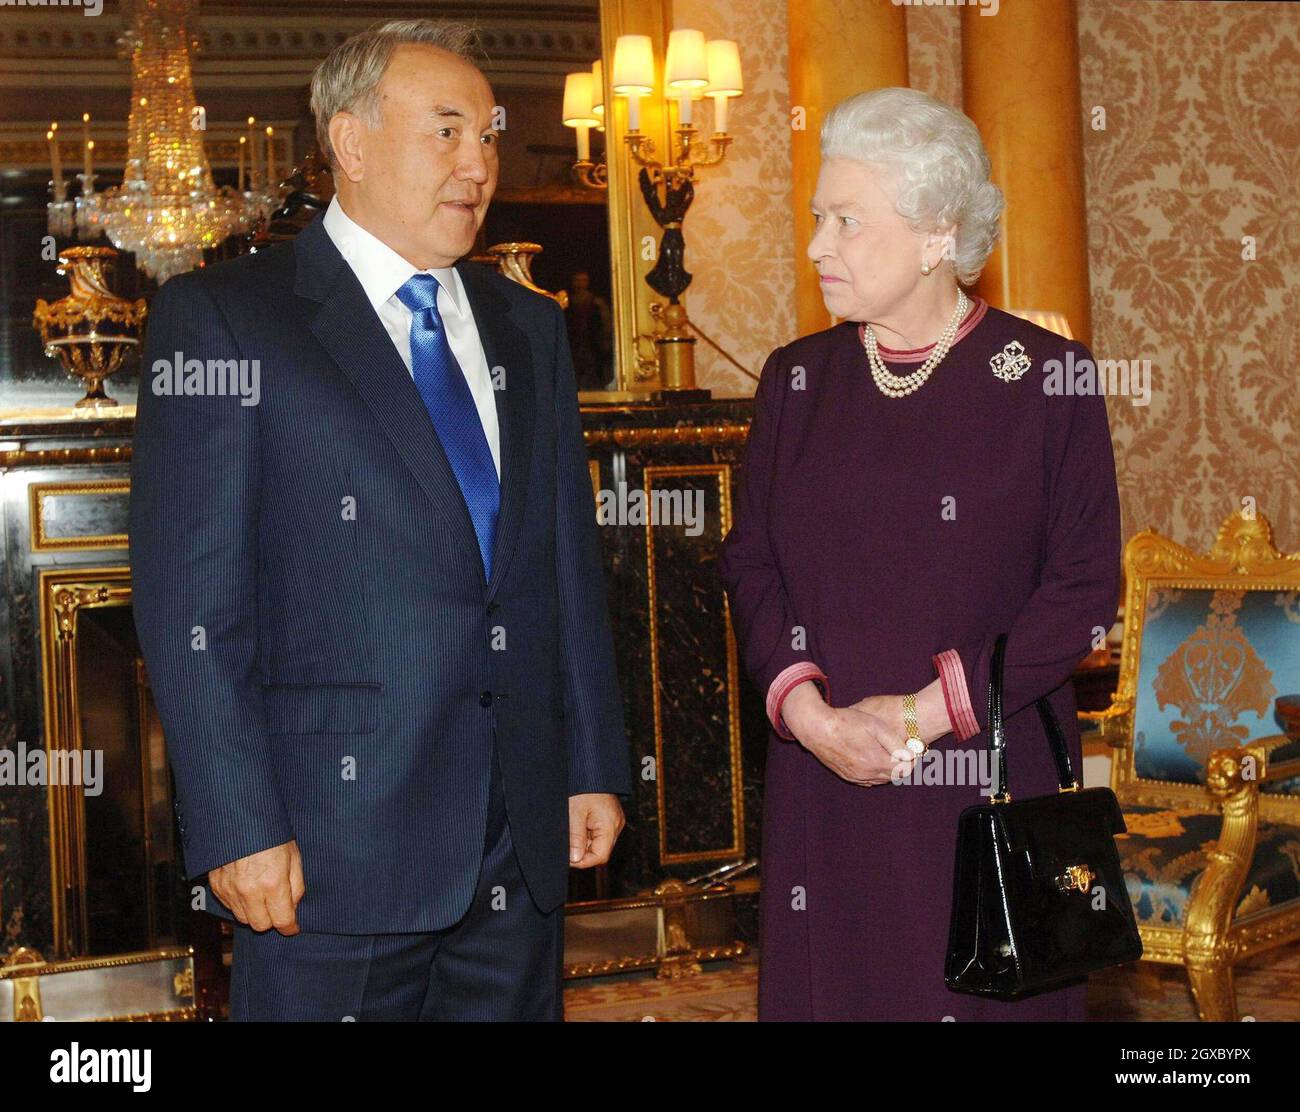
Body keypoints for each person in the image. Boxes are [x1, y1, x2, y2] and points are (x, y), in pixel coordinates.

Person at [129, 18, 631, 1021]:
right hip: (328, 851)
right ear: (350, 144)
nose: (479, 162)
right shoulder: (227, 318)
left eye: (488, 135)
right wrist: (235, 823)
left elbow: (564, 566)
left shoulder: (526, 328)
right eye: (446, 132)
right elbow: (193, 604)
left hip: (515, 840)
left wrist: (591, 766)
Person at [718, 87, 1121, 1020]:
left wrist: (925, 714)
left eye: (847, 221)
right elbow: (750, 559)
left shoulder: (1047, 378)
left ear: (938, 233)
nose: (818, 244)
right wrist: (810, 713)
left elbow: (1084, 587)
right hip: (823, 783)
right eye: (819, 218)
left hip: (978, 777)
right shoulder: (797, 379)